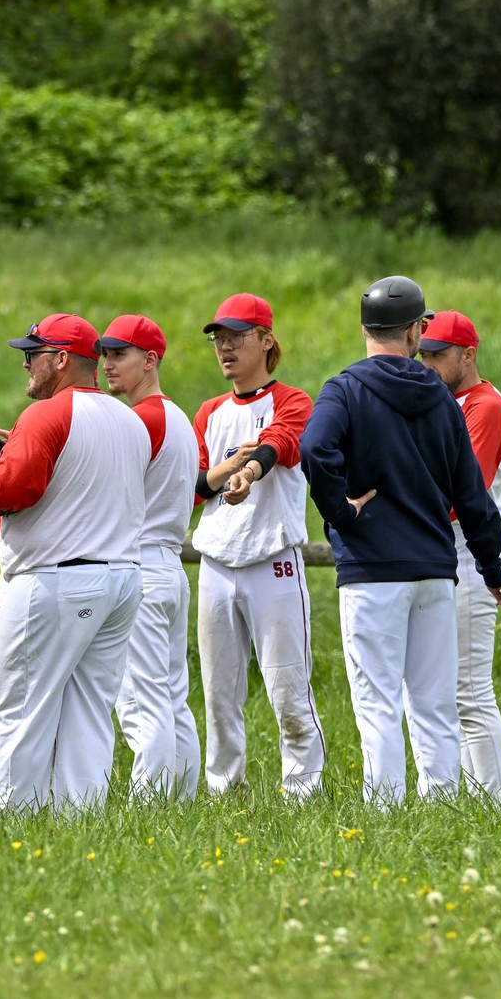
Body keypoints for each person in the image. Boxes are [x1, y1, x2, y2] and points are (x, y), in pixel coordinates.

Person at [299, 276, 501, 806]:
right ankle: (440, 808)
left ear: (365, 328)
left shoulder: (344, 389)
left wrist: (340, 515)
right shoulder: (442, 401)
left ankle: (385, 813)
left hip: (373, 571)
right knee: (436, 704)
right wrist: (492, 570)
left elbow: (314, 448)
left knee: (377, 704)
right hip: (435, 571)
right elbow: (473, 497)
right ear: (417, 331)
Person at [0, 313, 147, 814]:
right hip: (121, 578)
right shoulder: (128, 418)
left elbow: (9, 490)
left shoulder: (48, 415)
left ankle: (17, 826)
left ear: (62, 359)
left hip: (57, 581)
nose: (26, 363)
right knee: (89, 711)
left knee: (22, 708)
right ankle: (78, 822)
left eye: (33, 354)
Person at [190, 294, 325, 800]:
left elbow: (281, 442)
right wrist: (225, 472)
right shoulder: (208, 411)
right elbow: (196, 485)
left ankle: (303, 792)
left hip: (273, 563)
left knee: (288, 689)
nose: (224, 348)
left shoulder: (292, 399)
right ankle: (224, 791)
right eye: (218, 339)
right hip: (217, 563)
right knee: (219, 693)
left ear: (266, 340)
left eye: (236, 337)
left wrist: (247, 472)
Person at [96, 315, 201, 801]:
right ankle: (181, 799)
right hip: (168, 564)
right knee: (171, 695)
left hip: (141, 564)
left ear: (150, 360)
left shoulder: (143, 418)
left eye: (120, 354)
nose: (108, 365)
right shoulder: (175, 415)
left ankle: (151, 804)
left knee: (142, 699)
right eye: (106, 354)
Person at [418, 309, 501, 805]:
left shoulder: (484, 406)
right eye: (424, 353)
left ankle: (498, 806)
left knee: (470, 694)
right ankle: (463, 802)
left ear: (468, 354)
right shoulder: (443, 402)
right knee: (437, 695)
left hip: (467, 554)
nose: (428, 363)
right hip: (438, 551)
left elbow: (463, 492)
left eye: (439, 354)